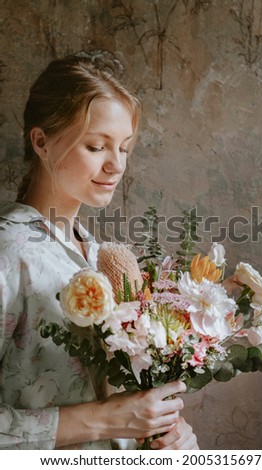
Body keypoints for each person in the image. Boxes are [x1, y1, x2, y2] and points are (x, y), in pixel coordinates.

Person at [0, 55, 199, 450]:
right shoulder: (10, 250)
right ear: (40, 141)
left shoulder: (99, 256)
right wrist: (105, 421)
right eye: (96, 146)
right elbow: (108, 418)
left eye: (124, 148)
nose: (116, 165)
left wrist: (160, 435)